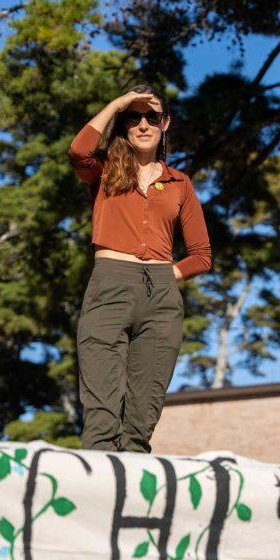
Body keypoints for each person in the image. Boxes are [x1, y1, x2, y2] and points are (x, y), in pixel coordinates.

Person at [68, 85, 212, 452]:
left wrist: (167, 277)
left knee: (140, 422)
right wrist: (117, 102)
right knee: (101, 418)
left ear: (165, 124)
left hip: (161, 296)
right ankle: (94, 497)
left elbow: (201, 255)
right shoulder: (103, 171)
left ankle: (130, 500)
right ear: (123, 125)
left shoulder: (180, 183)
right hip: (110, 285)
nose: (143, 124)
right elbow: (78, 149)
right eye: (134, 117)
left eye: (153, 117)